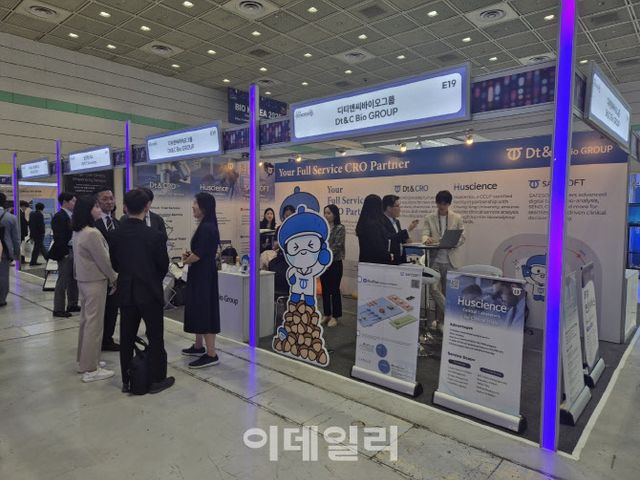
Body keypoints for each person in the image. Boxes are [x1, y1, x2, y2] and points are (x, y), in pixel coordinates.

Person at [109, 189, 173, 394]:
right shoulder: (155, 235)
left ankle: (126, 380)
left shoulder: (115, 234)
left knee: (126, 336)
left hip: (126, 291)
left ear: (125, 207)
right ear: (147, 206)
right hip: (150, 292)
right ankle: (156, 379)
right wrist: (151, 279)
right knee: (155, 336)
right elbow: (163, 265)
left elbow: (115, 263)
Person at [72, 196, 118, 383]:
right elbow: (103, 260)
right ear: (88, 210)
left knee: (86, 321)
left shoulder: (79, 231)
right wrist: (114, 277)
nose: (100, 209)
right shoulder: (92, 233)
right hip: (95, 281)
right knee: (94, 324)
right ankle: (91, 368)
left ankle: (84, 361)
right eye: (96, 206)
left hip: (84, 280)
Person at [181, 192, 221, 369]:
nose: (192, 206)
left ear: (204, 207)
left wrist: (185, 260)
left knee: (205, 309)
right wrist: (190, 256)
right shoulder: (206, 225)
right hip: (201, 273)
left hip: (203, 275)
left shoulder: (207, 227)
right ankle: (198, 346)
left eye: (195, 203)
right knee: (198, 307)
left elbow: (198, 255)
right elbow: (200, 252)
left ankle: (211, 354)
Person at [422, 190, 466, 328]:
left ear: (449, 204)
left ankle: (441, 322)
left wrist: (452, 243)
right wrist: (426, 239)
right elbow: (425, 233)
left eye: (445, 204)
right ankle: (451, 312)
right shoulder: (429, 217)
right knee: (434, 289)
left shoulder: (457, 217)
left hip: (451, 259)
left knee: (448, 292)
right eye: (439, 203)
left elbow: (463, 237)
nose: (442, 206)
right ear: (436, 203)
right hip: (434, 259)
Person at [94, 189, 120, 351]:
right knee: (98, 312)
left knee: (112, 309)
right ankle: (97, 340)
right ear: (97, 202)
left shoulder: (117, 223)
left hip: (116, 274)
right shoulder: (92, 224)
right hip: (98, 274)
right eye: (105, 199)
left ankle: (107, 340)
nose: (109, 202)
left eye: (111, 198)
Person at [49, 192, 79, 317]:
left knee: (74, 279)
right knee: (63, 280)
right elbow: (59, 237)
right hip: (65, 251)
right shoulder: (59, 216)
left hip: (74, 250)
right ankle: (58, 308)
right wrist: (65, 253)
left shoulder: (72, 215)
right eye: (73, 201)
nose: (75, 203)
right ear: (65, 202)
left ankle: (72, 304)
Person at [320, 205, 345, 328]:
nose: (326, 215)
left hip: (335, 262)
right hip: (323, 264)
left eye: (329, 213)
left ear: (335, 214)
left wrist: (327, 258)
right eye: (325, 213)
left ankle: (335, 316)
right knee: (325, 290)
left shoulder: (340, 228)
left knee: (334, 290)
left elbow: (337, 245)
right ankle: (327, 314)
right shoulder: (322, 228)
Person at [356, 194, 394, 264]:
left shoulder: (363, 221)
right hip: (375, 263)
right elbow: (378, 247)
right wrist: (389, 256)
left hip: (365, 261)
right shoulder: (373, 225)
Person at [382, 195, 419, 265]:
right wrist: (408, 230)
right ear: (389, 208)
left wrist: (407, 239)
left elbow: (399, 238)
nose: (400, 209)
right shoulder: (381, 222)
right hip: (390, 261)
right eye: (397, 206)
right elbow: (390, 238)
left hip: (400, 259)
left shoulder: (397, 222)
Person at [0, 192, 21, 307]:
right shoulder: (11, 218)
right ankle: (1, 299)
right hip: (4, 251)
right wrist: (17, 254)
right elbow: (16, 239)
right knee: (3, 275)